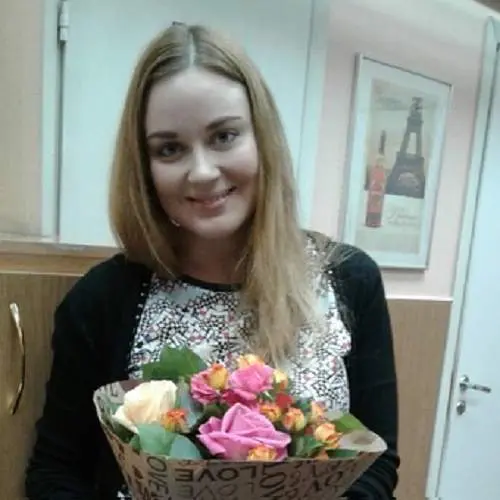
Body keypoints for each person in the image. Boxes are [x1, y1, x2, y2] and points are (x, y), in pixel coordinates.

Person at [25, 23, 399, 499]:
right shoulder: (103, 299)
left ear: (262, 138)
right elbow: (55, 473)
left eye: (224, 136)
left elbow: (377, 465)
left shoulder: (348, 278)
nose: (202, 172)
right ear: (144, 166)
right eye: (169, 149)